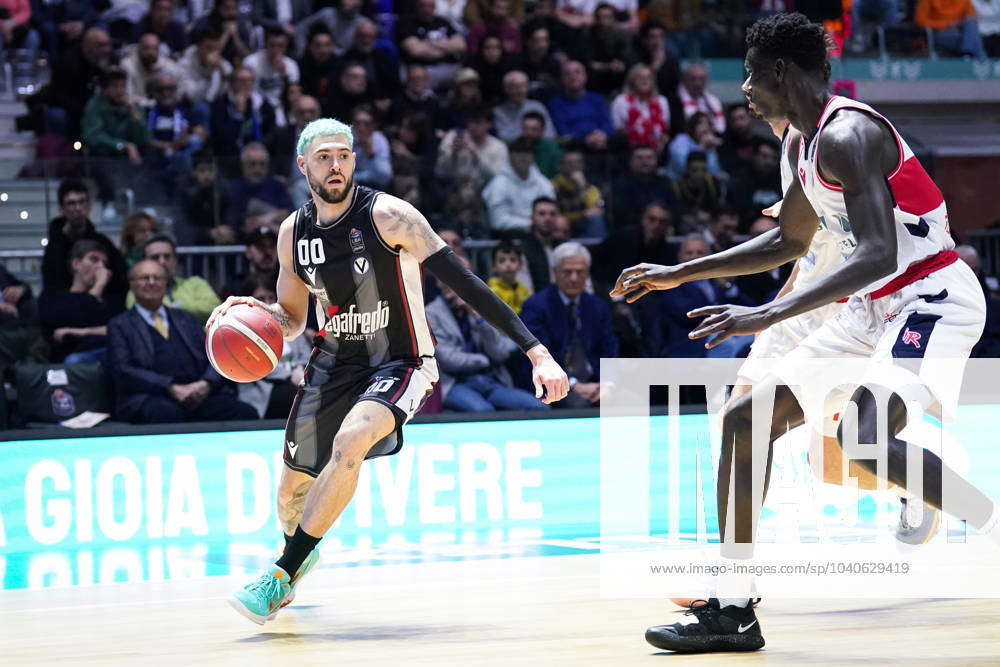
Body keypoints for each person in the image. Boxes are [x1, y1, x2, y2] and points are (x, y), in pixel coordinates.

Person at [614, 13, 999, 652]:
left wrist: (766, 315)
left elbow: (877, 252)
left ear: (780, 72)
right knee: (745, 419)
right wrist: (677, 273)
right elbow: (788, 239)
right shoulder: (806, 142)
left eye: (749, 74)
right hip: (871, 307)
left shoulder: (848, 134)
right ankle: (734, 609)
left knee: (864, 438)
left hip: (931, 298)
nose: (742, 88)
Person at [208, 115, 568, 624]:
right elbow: (292, 320)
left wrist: (537, 351)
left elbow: (464, 283)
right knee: (289, 491)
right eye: (324, 157)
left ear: (355, 159)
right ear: (303, 165)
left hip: (401, 359)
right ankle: (299, 555)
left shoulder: (390, 216)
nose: (336, 165)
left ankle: (279, 575)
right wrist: (256, 317)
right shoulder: (294, 232)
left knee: (351, 441)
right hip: (335, 361)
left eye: (344, 155)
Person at [108, 259, 257, 424]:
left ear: (166, 284)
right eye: (144, 278)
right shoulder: (120, 325)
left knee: (244, 412)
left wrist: (206, 383)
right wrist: (170, 387)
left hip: (199, 393)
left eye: (157, 278)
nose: (152, 282)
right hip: (151, 396)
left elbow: (214, 355)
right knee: (167, 414)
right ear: (132, 284)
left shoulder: (186, 318)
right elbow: (123, 369)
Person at [426, 258, 549, 412]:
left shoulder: (479, 308)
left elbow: (500, 352)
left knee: (538, 407)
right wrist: (484, 360)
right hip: (455, 383)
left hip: (490, 381)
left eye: (463, 274)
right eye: (452, 274)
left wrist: (478, 318)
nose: (457, 279)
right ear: (439, 280)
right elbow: (449, 360)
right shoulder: (431, 313)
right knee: (484, 412)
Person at [521, 241, 618, 409]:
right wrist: (574, 384)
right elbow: (541, 356)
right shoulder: (536, 306)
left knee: (634, 398)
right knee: (579, 405)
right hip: (553, 383)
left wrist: (606, 384)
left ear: (587, 273)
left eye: (579, 272)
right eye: (567, 272)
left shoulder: (598, 306)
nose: (574, 278)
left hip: (595, 381)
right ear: (555, 273)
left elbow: (609, 348)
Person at [42, 179, 128, 310]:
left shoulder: (103, 243)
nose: (77, 208)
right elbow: (53, 289)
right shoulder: (54, 249)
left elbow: (120, 279)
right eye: (71, 203)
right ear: (61, 209)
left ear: (89, 206)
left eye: (82, 202)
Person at [38, 239, 123, 364]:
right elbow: (69, 318)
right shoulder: (53, 297)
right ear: (76, 264)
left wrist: (83, 332)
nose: (101, 267)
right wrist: (98, 287)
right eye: (94, 260)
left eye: (104, 263)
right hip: (70, 360)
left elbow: (120, 329)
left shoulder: (111, 300)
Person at [127, 234, 221, 324]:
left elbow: (216, 309)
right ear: (145, 262)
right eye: (155, 257)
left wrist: (170, 308)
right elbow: (138, 314)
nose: (162, 261)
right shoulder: (138, 288)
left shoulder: (195, 283)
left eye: (167, 256)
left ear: (175, 260)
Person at [482, 136, 557, 235]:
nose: (523, 157)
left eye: (527, 153)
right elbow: (498, 221)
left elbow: (552, 212)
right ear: (510, 156)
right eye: (518, 153)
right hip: (507, 238)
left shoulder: (543, 183)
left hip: (540, 235)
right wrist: (532, 224)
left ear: (533, 157)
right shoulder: (498, 185)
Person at [224, 142, 294, 238]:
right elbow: (236, 221)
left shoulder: (277, 186)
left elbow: (290, 213)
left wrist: (264, 219)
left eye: (262, 164)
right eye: (252, 164)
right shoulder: (233, 189)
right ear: (243, 165)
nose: (257, 169)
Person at [547, 60, 613, 151]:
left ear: (585, 76)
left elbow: (607, 123)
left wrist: (602, 134)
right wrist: (585, 138)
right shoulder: (556, 103)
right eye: (567, 74)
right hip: (573, 147)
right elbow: (562, 130)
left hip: (600, 143)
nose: (572, 76)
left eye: (577, 72)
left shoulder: (597, 99)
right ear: (562, 79)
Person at [610, 63, 670, 150]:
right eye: (640, 77)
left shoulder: (662, 101)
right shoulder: (621, 101)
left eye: (648, 77)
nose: (644, 80)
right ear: (632, 81)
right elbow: (617, 130)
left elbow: (664, 131)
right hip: (628, 148)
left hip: (657, 149)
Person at [493, 70, 557, 142]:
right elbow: (504, 137)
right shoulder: (499, 111)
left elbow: (550, 134)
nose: (520, 90)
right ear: (506, 89)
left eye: (523, 86)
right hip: (515, 151)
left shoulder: (538, 107)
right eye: (515, 86)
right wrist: (532, 135)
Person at [222, 227, 280, 300]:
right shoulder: (234, 286)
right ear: (248, 252)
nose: (268, 252)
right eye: (261, 246)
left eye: (272, 246)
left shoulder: (287, 283)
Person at [487, 240, 532, 313]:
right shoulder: (491, 292)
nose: (508, 264)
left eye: (513, 260)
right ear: (493, 266)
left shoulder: (525, 291)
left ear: (520, 264)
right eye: (502, 261)